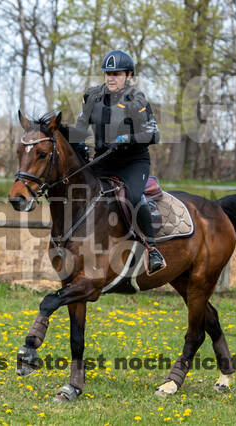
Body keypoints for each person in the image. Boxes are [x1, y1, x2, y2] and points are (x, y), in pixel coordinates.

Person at [69, 49, 165, 274]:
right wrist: (75, 142)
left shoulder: (136, 99)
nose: (111, 78)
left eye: (117, 74)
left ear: (128, 75)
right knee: (77, 188)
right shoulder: (92, 96)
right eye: (108, 73)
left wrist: (128, 139)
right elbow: (81, 129)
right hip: (104, 160)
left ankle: (152, 249)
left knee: (132, 197)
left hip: (133, 162)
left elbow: (154, 135)